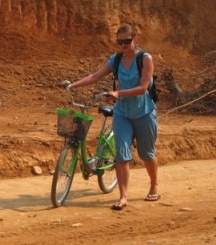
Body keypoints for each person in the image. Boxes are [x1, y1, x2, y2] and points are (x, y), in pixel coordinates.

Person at [67, 23, 159, 211]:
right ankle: (123, 196)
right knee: (121, 155)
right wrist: (72, 86)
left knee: (146, 153)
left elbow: (143, 87)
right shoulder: (116, 60)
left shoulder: (145, 59)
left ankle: (154, 185)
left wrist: (119, 94)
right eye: (120, 42)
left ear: (135, 39)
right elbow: (95, 76)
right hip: (122, 113)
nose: (123, 45)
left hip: (144, 112)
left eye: (127, 41)